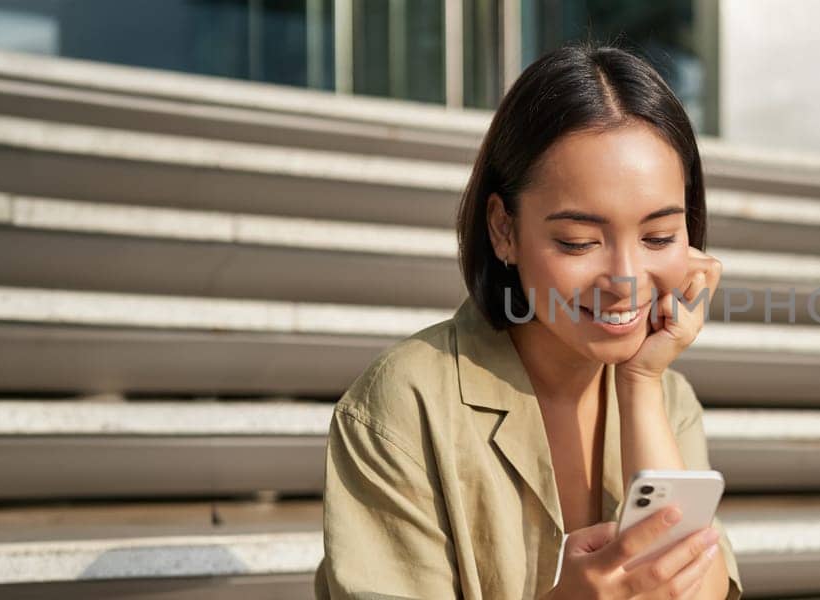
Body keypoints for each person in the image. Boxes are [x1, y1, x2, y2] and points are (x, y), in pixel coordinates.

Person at [314, 42, 742, 599]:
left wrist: (640, 387)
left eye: (659, 237)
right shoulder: (405, 404)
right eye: (578, 242)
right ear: (504, 230)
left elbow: (695, 590)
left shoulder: (667, 395)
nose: (627, 279)